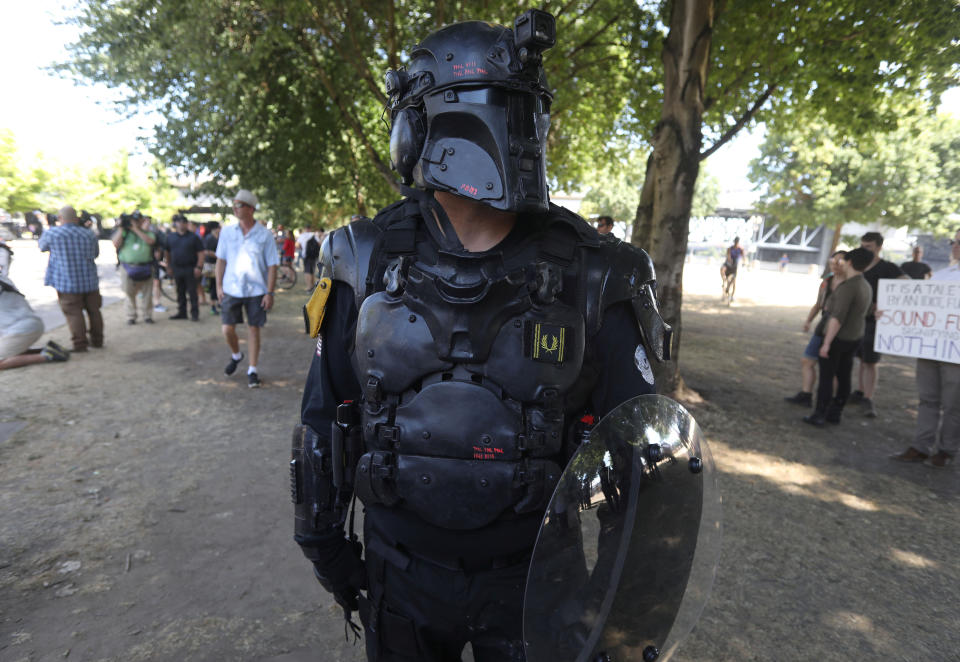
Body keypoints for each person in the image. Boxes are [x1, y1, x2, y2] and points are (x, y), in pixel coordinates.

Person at [292, 13, 671, 662]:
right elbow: (328, 420)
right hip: (397, 576)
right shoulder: (363, 256)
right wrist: (333, 557)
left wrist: (618, 611)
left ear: (421, 125)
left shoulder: (600, 272)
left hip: (535, 581)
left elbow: (640, 468)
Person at [891, 228, 960, 468]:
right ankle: (921, 447)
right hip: (930, 347)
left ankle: (946, 450)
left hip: (956, 355)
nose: (955, 246)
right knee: (928, 399)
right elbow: (918, 308)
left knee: (953, 404)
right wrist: (890, 313)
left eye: (959, 242)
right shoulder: (942, 276)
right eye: (954, 241)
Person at [803, 247, 874, 426]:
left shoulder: (848, 287)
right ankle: (835, 413)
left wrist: (826, 343)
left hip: (838, 339)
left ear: (849, 262)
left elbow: (837, 318)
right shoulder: (865, 285)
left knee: (827, 377)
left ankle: (820, 414)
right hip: (854, 338)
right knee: (844, 376)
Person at [215, 189, 279, 388]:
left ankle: (252, 369)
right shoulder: (227, 232)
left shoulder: (264, 234)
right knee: (227, 329)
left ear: (251, 209)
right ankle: (236, 355)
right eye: (234, 204)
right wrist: (218, 285)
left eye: (239, 205)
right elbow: (220, 260)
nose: (235, 208)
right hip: (231, 289)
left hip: (256, 290)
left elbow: (272, 265)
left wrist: (270, 292)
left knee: (253, 330)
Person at [849, 231, 908, 417]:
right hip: (856, 320)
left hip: (874, 322)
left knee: (870, 362)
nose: (864, 249)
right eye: (862, 246)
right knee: (860, 358)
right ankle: (859, 391)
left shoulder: (888, 268)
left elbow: (906, 284)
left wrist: (886, 303)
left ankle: (868, 397)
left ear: (879, 247)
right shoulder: (858, 265)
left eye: (868, 247)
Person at [38, 206, 103, 352]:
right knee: (94, 311)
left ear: (60, 218)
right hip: (90, 281)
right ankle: (98, 340)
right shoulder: (89, 234)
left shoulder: (53, 233)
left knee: (74, 313)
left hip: (66, 283)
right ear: (77, 218)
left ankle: (80, 344)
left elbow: (42, 247)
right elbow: (95, 253)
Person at [785, 251, 846, 406]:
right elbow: (819, 303)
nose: (835, 265)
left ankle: (830, 401)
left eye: (840, 262)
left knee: (832, 370)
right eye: (833, 262)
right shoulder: (827, 281)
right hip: (823, 327)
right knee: (808, 360)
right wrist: (809, 320)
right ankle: (806, 394)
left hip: (840, 331)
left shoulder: (850, 284)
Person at [112, 211, 157, 325]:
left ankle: (147, 315)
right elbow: (115, 244)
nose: (135, 222)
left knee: (147, 293)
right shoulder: (124, 232)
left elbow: (150, 241)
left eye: (138, 220)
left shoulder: (148, 233)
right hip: (127, 267)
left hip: (146, 266)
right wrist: (122, 228)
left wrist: (136, 229)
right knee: (129, 293)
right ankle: (131, 316)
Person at [165, 214, 206, 321]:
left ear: (187, 224)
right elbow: (167, 252)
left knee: (192, 292)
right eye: (179, 222)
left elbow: (201, 253)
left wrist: (199, 267)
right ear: (176, 224)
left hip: (191, 268)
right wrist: (168, 266)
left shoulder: (194, 237)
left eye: (184, 222)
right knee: (180, 291)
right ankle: (182, 312)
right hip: (177, 268)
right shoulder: (171, 237)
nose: (181, 224)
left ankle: (194, 313)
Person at [202, 221, 221, 315]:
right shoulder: (209, 238)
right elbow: (205, 251)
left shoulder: (220, 237)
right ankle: (213, 305)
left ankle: (218, 303)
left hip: (219, 264)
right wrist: (216, 255)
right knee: (213, 285)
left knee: (219, 284)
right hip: (211, 264)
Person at [301, 227, 321, 291]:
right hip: (313, 256)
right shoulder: (314, 235)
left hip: (306, 255)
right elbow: (319, 244)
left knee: (307, 271)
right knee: (312, 270)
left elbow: (297, 245)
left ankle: (309, 287)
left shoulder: (302, 235)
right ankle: (312, 285)